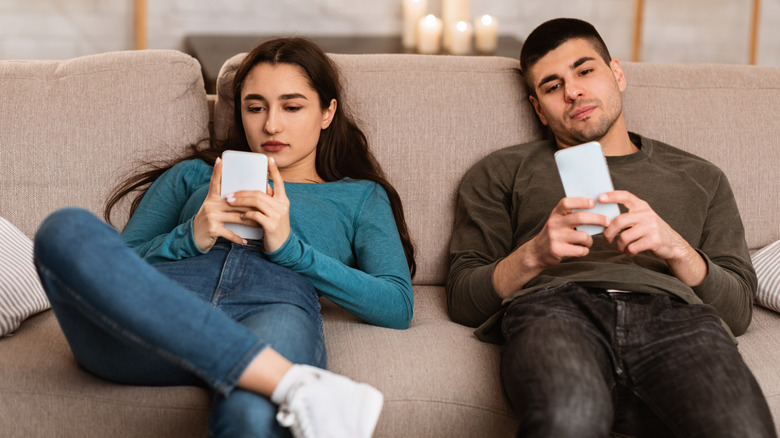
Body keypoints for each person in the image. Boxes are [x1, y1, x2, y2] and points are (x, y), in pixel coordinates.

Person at [33, 37, 415, 438]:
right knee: (65, 228)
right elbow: (115, 266)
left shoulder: (359, 196)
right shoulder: (192, 176)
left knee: (252, 413)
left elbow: (396, 304)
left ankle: (266, 377)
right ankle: (287, 382)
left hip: (272, 309)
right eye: (255, 107)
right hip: (163, 313)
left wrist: (292, 250)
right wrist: (188, 237)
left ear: (326, 111)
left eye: (292, 106)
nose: (271, 124)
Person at [446, 18, 776, 438]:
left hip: (677, 318)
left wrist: (677, 250)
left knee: (742, 431)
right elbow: (461, 299)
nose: (573, 92)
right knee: (569, 420)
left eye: (585, 71)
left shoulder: (701, 176)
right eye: (552, 86)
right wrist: (534, 255)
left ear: (617, 74)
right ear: (537, 109)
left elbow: (738, 311)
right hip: (555, 309)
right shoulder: (500, 171)